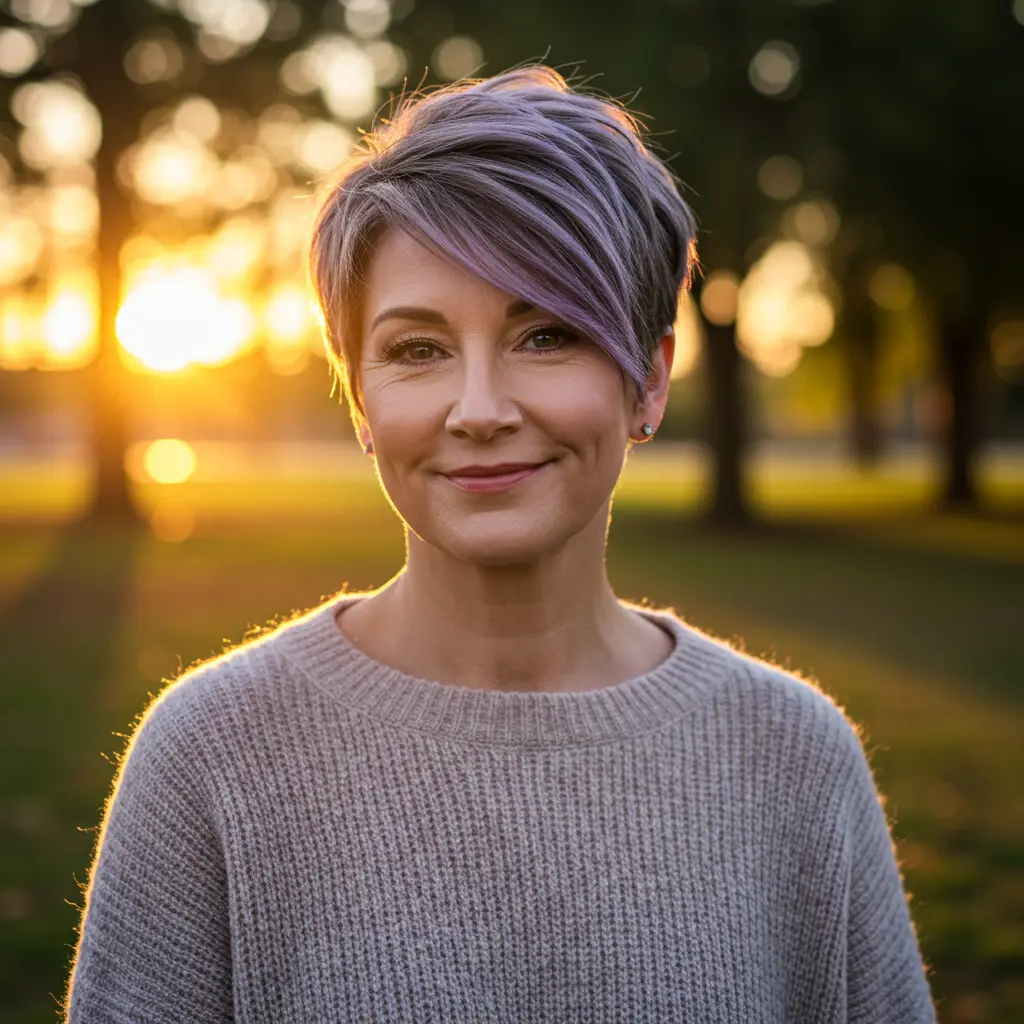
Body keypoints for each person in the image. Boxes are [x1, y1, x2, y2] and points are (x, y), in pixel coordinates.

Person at [65, 66, 936, 1022]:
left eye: (548, 334)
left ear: (649, 379)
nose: (479, 412)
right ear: (359, 395)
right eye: (418, 350)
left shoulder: (795, 757)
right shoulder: (210, 757)